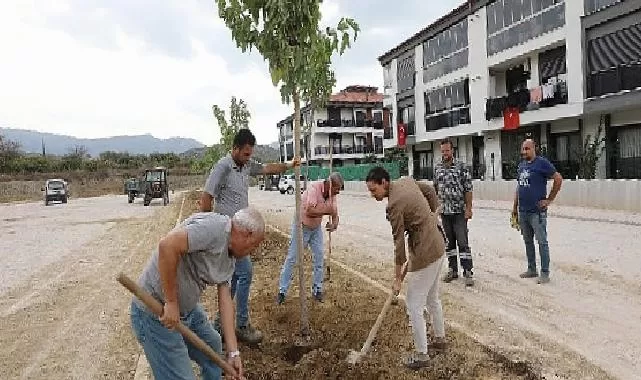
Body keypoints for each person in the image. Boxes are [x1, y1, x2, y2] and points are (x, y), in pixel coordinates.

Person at [129, 207, 266, 380]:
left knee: (213, 347)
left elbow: (225, 301)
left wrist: (233, 352)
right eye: (254, 244)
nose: (253, 251)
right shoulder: (214, 229)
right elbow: (167, 246)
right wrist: (171, 302)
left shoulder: (231, 258)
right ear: (246, 233)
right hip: (156, 312)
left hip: (186, 311)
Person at [199, 129, 300, 344]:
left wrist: (290, 165)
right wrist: (208, 231)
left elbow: (268, 168)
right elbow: (206, 197)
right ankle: (241, 326)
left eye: (250, 154)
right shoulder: (223, 167)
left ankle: (220, 326)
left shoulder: (246, 166)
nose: (248, 158)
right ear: (235, 149)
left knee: (232, 279)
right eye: (245, 154)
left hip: (240, 235)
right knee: (243, 274)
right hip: (226, 235)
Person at [365, 166, 447, 370]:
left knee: (414, 304)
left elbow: (399, 244)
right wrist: (433, 212)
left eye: (373, 190)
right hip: (438, 243)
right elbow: (429, 191)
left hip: (425, 252)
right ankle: (440, 339)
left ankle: (422, 355)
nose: (372, 195)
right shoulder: (406, 181)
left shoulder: (393, 205)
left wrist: (397, 279)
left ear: (384, 183)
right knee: (432, 298)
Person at [277, 172, 343, 304]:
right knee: (292, 258)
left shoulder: (332, 195)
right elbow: (309, 211)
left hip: (316, 229)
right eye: (337, 188)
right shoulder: (314, 189)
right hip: (301, 226)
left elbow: (334, 213)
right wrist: (326, 211)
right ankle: (282, 292)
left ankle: (317, 290)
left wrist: (334, 225)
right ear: (329, 184)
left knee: (319, 258)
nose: (338, 192)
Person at [513, 139, 563, 284]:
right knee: (527, 241)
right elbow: (519, 186)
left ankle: (545, 273)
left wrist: (549, 199)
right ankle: (531, 269)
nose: (524, 151)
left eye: (527, 148)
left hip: (537, 212)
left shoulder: (542, 163)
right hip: (523, 211)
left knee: (542, 242)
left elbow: (558, 179)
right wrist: (514, 207)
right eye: (523, 148)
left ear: (534, 148)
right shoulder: (521, 165)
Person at [434, 138, 475, 286]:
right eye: (443, 151)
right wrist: (436, 209)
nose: (445, 153)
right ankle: (452, 270)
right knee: (449, 243)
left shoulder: (461, 167)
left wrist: (469, 208)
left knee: (463, 242)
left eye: (447, 150)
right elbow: (435, 189)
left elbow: (468, 188)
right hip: (444, 212)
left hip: (459, 212)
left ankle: (468, 271)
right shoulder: (437, 167)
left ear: (452, 150)